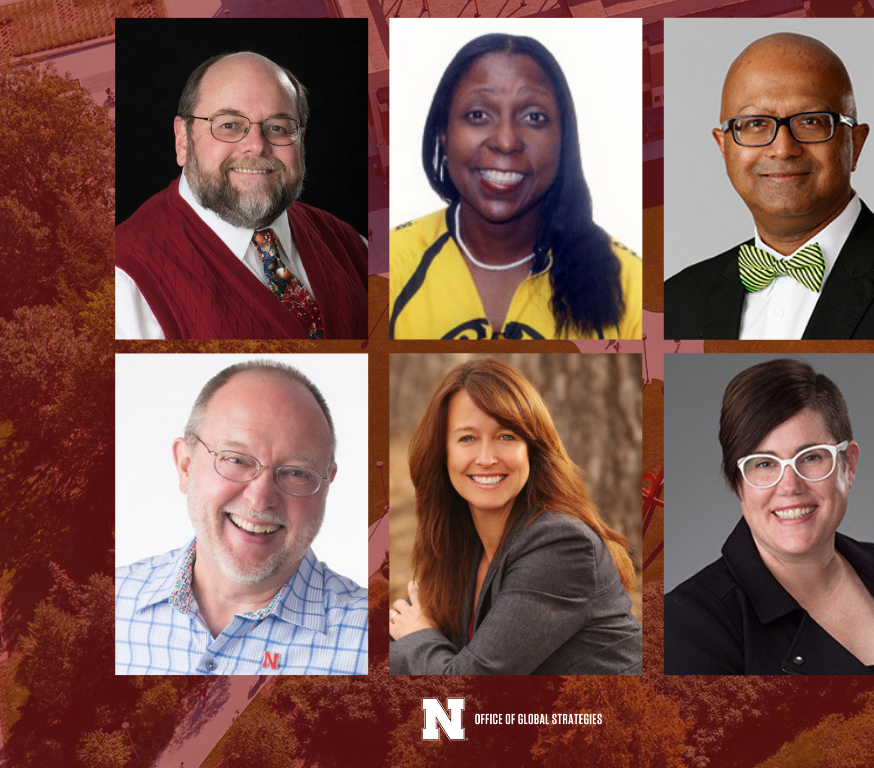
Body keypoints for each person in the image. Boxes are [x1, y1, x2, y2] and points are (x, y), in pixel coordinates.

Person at [388, 358, 642, 674]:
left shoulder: (563, 546)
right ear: (443, 453)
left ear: (532, 449)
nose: (486, 458)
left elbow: (468, 687)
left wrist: (417, 637)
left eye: (506, 436)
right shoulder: (459, 543)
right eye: (467, 438)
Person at [664, 359, 874, 675]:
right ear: (738, 483)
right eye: (764, 463)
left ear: (848, 465)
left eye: (810, 457)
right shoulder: (687, 625)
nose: (790, 486)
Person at [115, 361, 368, 674]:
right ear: (185, 465)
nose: (260, 498)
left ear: (327, 485)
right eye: (236, 460)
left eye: (295, 473)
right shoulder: (105, 605)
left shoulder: (373, 639)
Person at [389, 34, 642, 340]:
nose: (506, 141)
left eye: (534, 117)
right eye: (478, 115)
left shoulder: (631, 284)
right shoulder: (390, 269)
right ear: (443, 132)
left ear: (564, 139)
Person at [664, 33, 874, 340]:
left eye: (810, 121)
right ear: (723, 147)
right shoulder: (677, 300)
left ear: (855, 144)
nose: (783, 149)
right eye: (755, 123)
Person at [116, 52, 368, 340]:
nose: (257, 146)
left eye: (278, 127)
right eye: (229, 125)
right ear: (183, 139)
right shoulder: (125, 282)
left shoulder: (351, 245)